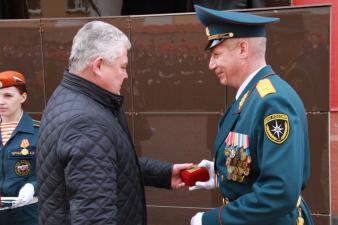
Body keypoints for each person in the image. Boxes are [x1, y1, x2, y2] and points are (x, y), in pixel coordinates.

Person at [36, 20, 192, 225]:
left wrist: (163, 174)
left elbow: (108, 162)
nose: (126, 75)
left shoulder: (69, 95)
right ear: (98, 65)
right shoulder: (87, 123)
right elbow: (94, 217)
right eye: (123, 66)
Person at [190, 5, 314, 225]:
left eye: (217, 54)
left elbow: (278, 192)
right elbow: (254, 164)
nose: (211, 64)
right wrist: (219, 175)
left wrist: (211, 220)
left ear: (243, 49)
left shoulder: (271, 101)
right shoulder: (252, 95)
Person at [0, 70, 39, 225]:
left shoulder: (39, 131)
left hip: (27, 214)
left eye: (8, 96)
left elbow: (51, 172)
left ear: (23, 97)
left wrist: (32, 186)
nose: (1, 101)